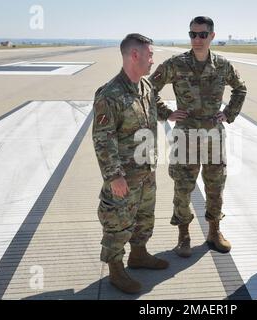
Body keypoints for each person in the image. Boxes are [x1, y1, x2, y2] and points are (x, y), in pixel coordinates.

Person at [149, 16, 247, 258]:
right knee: (183, 188)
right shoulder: (176, 64)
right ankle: (183, 235)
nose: (197, 39)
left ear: (212, 36)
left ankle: (214, 232)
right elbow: (148, 88)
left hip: (214, 137)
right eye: (193, 34)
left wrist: (228, 113)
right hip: (186, 136)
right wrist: (166, 113)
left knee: (215, 187)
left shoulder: (223, 65)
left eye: (202, 34)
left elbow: (240, 88)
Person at [92, 33, 173, 294]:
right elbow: (103, 139)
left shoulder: (146, 87)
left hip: (146, 171)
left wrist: (172, 113)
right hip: (124, 176)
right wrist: (113, 175)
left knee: (144, 217)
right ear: (134, 55)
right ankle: (116, 269)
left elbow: (154, 109)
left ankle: (139, 254)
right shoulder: (110, 94)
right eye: (150, 54)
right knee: (117, 223)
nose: (153, 59)